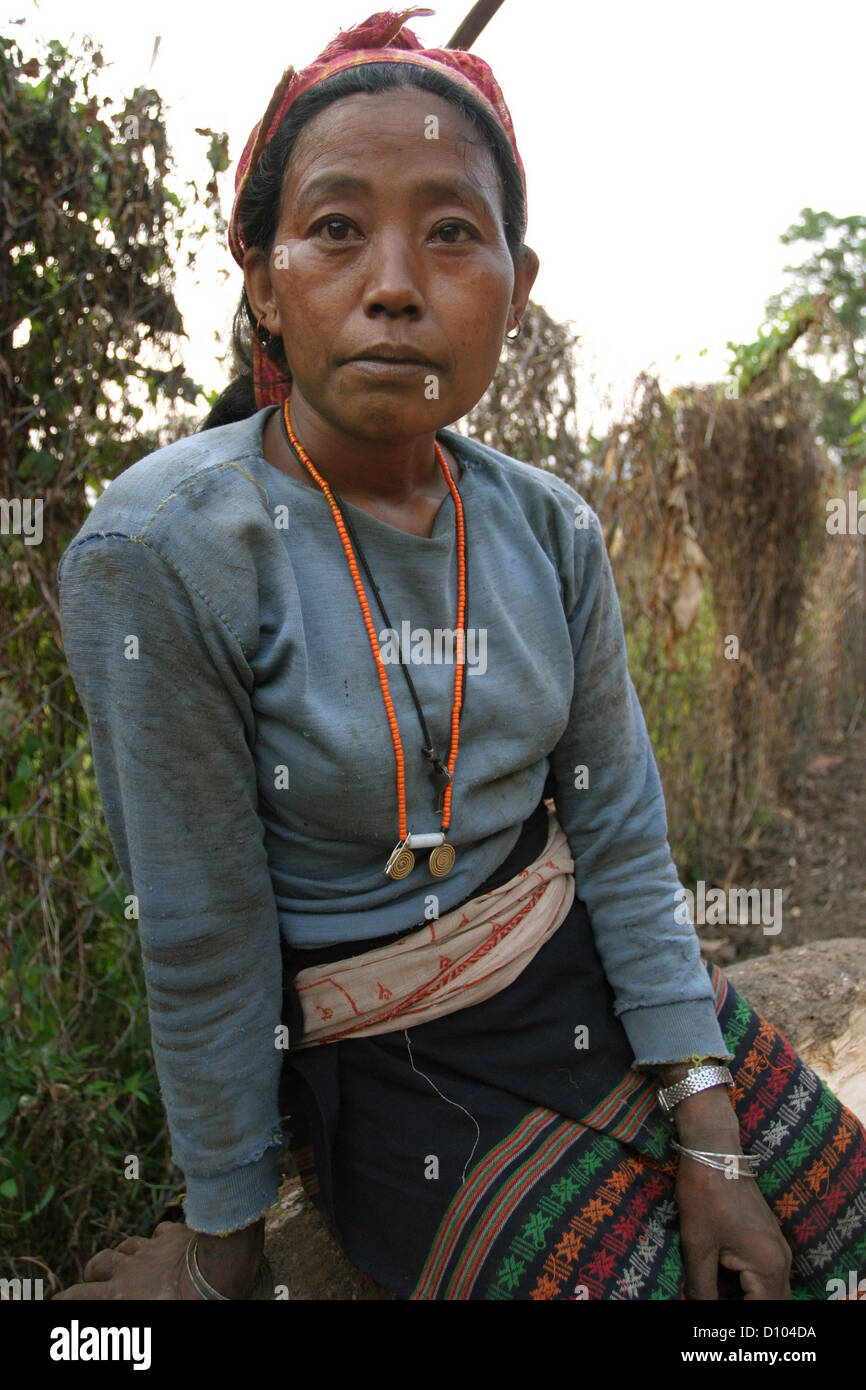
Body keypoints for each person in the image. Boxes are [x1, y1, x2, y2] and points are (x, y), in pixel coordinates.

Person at [55, 7, 866, 1301]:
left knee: (825, 1231)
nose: (393, 280)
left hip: (586, 967)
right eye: (333, 228)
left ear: (516, 287)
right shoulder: (164, 550)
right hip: (395, 1067)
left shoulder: (547, 526)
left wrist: (705, 1119)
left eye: (450, 231)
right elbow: (204, 934)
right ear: (263, 282)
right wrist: (221, 1263)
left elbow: (621, 841)